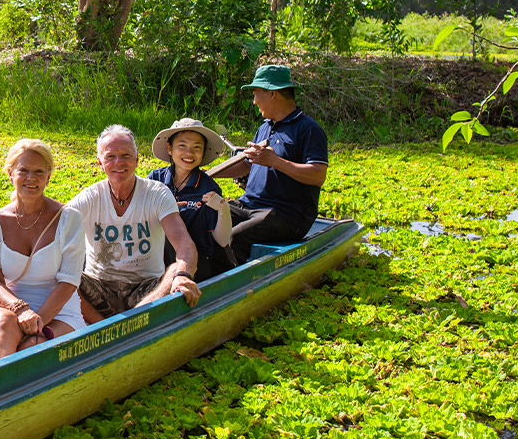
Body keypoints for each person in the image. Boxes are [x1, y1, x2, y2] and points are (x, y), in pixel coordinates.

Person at [67, 125, 201, 324]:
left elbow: (185, 244)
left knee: (174, 271)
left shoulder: (157, 193)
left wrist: (182, 275)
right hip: (98, 288)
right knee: (62, 275)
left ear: (137, 160)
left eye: (126, 155)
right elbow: (55, 228)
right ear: (100, 163)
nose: (119, 162)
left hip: (146, 289)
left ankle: (135, 322)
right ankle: (99, 327)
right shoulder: (90, 197)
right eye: (110, 156)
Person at [0, 139, 87, 364]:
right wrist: (20, 309)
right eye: (23, 170)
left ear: (48, 176)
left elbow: (69, 282)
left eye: (39, 171)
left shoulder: (69, 219)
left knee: (33, 347)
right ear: (10, 173)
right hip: (9, 306)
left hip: (61, 311)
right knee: (1, 327)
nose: (31, 178)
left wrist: (37, 322)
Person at [215, 65, 329, 264]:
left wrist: (275, 161)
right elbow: (247, 165)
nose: (254, 101)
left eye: (256, 94)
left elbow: (318, 175)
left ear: (273, 93)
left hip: (286, 214)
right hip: (249, 204)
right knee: (204, 217)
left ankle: (232, 287)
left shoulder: (309, 129)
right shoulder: (264, 128)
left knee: (234, 236)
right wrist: (208, 173)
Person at [146, 118, 234, 281]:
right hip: (156, 260)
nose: (189, 153)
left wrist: (223, 209)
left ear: (203, 152)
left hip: (196, 264)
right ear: (169, 148)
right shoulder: (155, 179)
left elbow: (222, 241)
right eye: (182, 146)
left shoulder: (208, 188)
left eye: (196, 147)